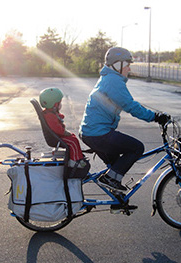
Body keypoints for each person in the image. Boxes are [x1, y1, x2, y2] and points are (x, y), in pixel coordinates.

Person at [79, 47, 170, 192]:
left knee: (116, 167)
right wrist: (155, 117)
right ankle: (110, 180)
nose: (128, 69)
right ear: (117, 64)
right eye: (127, 65)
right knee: (136, 148)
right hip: (98, 134)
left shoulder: (108, 78)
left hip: (93, 132)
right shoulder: (113, 81)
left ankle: (117, 201)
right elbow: (130, 106)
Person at [39, 87, 88, 170]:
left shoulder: (49, 113)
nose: (60, 104)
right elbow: (57, 129)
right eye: (59, 103)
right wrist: (65, 133)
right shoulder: (50, 116)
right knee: (73, 142)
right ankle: (75, 161)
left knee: (72, 137)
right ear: (55, 105)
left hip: (56, 136)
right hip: (56, 138)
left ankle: (77, 156)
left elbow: (57, 121)